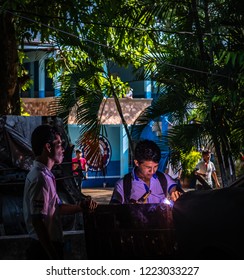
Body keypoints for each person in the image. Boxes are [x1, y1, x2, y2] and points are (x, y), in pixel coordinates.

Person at [23, 124, 97, 260]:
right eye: (59, 144)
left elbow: (56, 207)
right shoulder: (40, 178)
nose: (63, 149)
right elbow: (37, 220)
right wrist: (53, 256)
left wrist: (80, 207)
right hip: (43, 250)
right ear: (48, 147)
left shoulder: (46, 175)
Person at [110, 139, 182, 204]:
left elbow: (176, 190)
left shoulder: (164, 178)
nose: (152, 171)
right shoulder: (123, 185)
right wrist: (131, 209)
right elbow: (113, 210)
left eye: (156, 166)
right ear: (137, 163)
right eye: (148, 167)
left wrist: (176, 193)